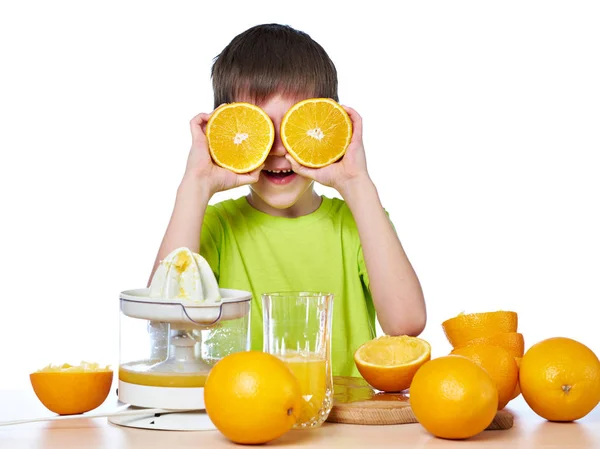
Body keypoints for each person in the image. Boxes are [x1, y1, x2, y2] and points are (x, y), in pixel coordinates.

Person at [148, 23, 426, 377]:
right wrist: (194, 186)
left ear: (331, 129)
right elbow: (162, 320)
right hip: (245, 418)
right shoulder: (214, 225)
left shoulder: (358, 221)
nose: (277, 149)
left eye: (295, 128)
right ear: (224, 133)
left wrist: (357, 184)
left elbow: (406, 323)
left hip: (345, 426)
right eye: (258, 129)